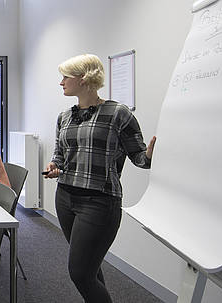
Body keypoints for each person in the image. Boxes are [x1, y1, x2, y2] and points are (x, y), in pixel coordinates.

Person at [44, 54, 156, 303]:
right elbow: (60, 155)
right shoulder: (65, 117)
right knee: (89, 268)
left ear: (83, 78)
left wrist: (149, 155)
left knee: (80, 273)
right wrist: (55, 166)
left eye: (65, 77)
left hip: (99, 202)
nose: (61, 82)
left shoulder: (117, 113)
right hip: (65, 197)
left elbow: (139, 157)